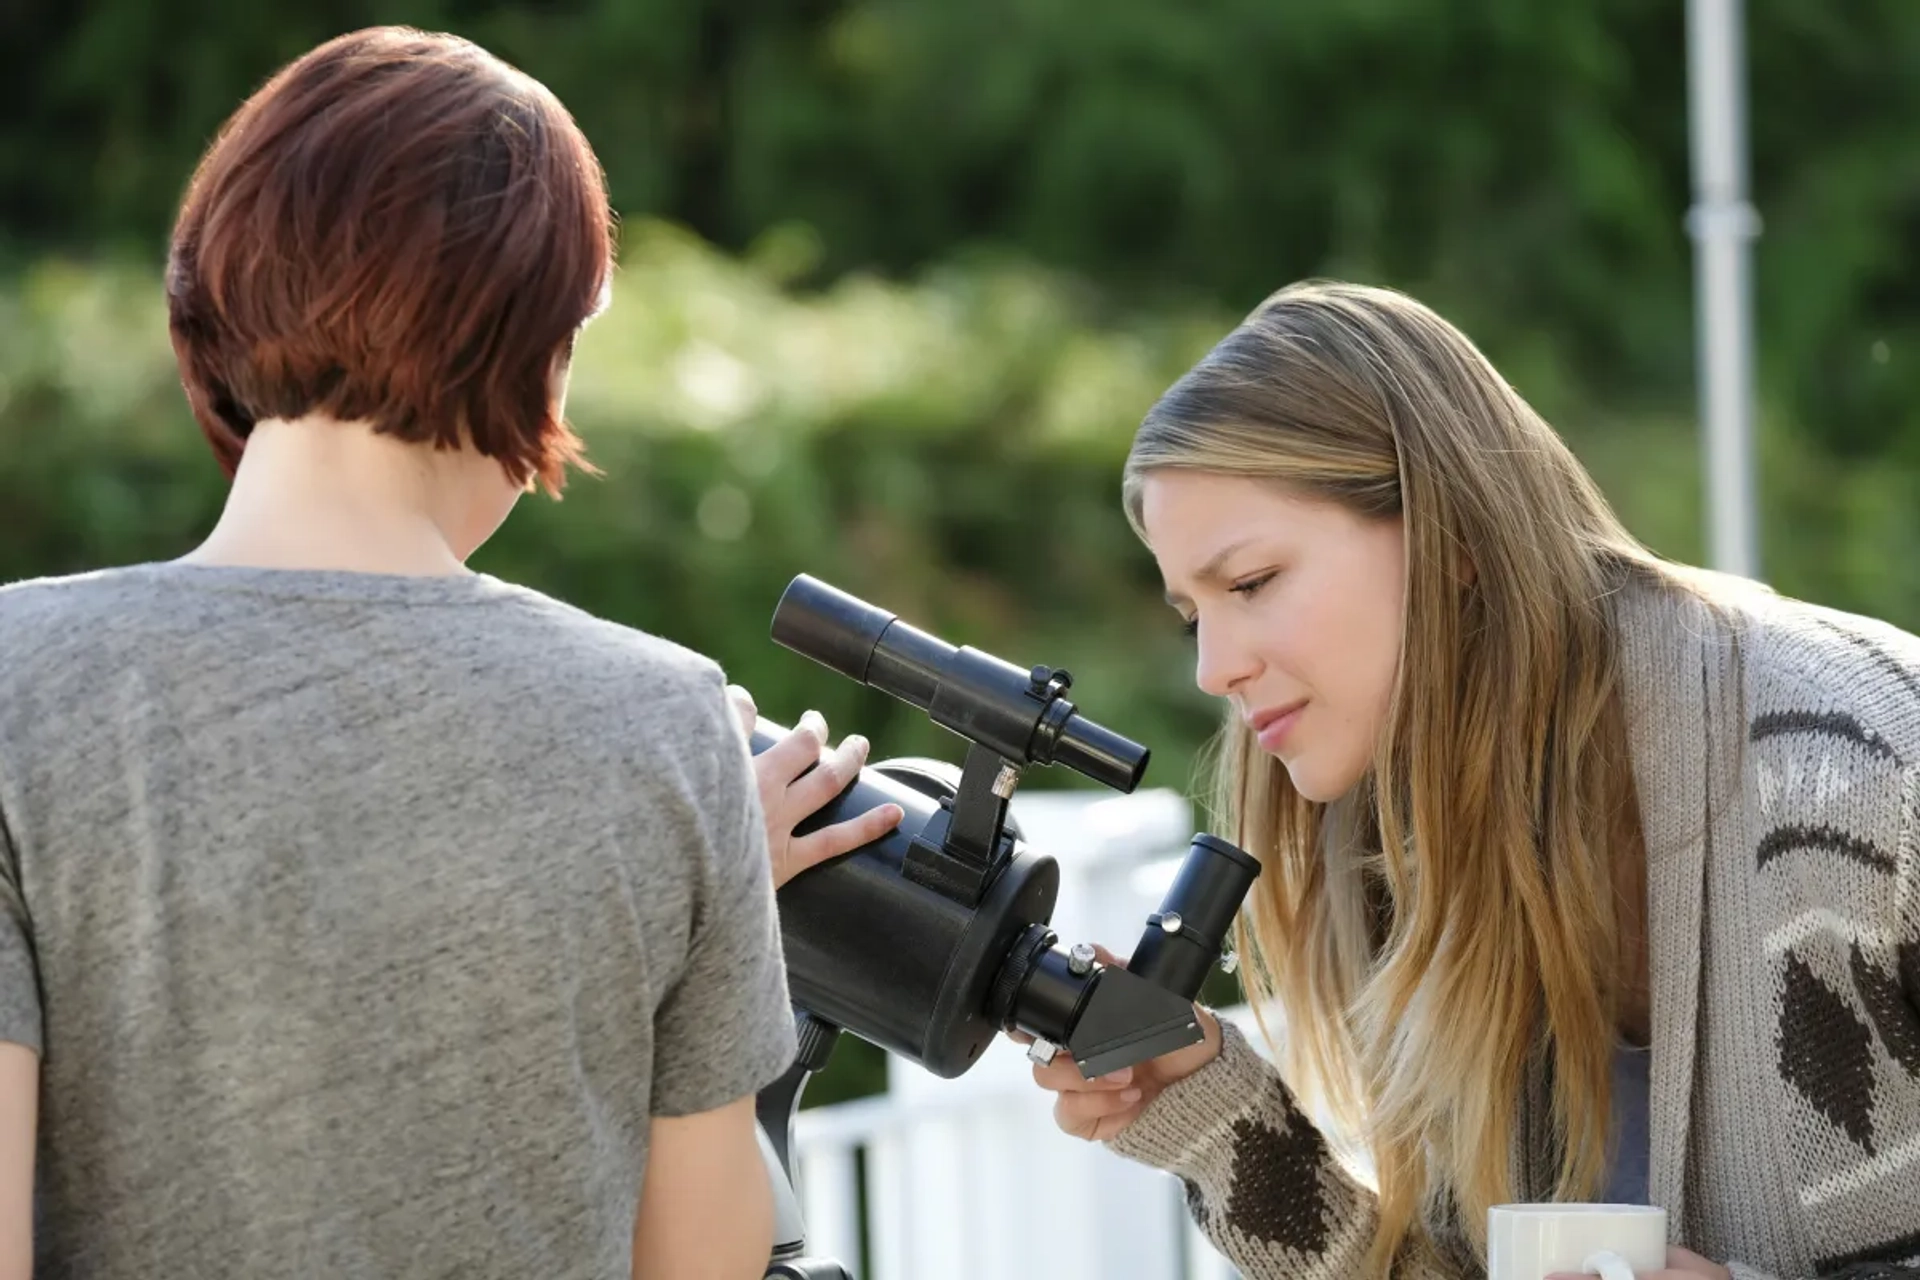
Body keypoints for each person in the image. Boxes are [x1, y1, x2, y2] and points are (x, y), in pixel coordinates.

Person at [0, 27, 886, 1280]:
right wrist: (684, 885)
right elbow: (700, 1260)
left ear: (214, 286)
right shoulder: (666, 727)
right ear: (545, 339)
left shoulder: (12, 684)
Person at [1028, 281, 1920, 1280]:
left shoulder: (1866, 761)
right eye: (1195, 614)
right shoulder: (1389, 846)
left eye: (1251, 583)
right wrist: (1214, 1120)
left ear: (1449, 535)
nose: (1214, 667)